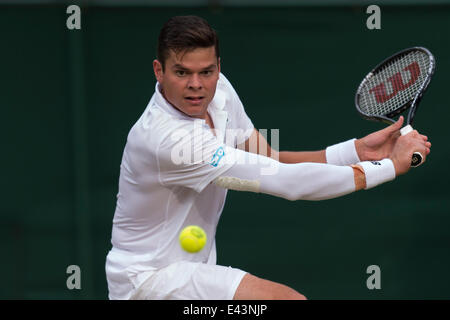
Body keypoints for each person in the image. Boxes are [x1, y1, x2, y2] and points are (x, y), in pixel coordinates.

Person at [105, 15, 431, 300]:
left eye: (206, 71)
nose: (196, 85)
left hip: (189, 273)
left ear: (218, 67)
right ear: (158, 71)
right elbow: (287, 183)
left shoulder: (219, 93)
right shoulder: (168, 140)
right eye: (181, 73)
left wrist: (355, 152)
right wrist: (388, 167)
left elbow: (270, 160)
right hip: (148, 282)